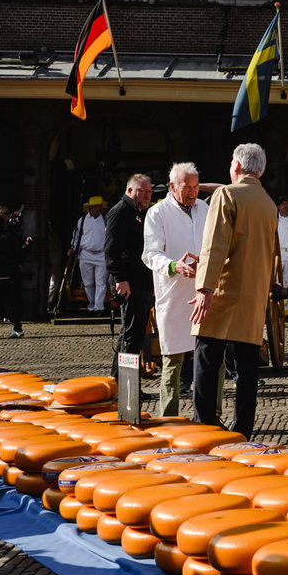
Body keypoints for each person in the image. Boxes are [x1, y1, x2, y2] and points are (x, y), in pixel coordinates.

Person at [190, 143, 278, 438]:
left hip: (223, 292)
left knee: (206, 357)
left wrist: (204, 287)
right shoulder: (268, 203)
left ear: (236, 167)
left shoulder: (227, 195)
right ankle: (243, 430)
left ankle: (205, 425)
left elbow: (216, 244)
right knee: (247, 368)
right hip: (253, 294)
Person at [142, 162, 208, 417]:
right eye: (186, 187)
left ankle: (209, 415)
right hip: (174, 294)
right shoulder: (157, 214)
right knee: (173, 360)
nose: (192, 192)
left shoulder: (204, 208)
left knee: (211, 359)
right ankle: (168, 418)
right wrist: (173, 265)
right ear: (172, 186)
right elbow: (150, 254)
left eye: (195, 186)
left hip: (205, 293)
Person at [106, 174, 154, 379]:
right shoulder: (120, 212)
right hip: (128, 282)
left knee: (132, 333)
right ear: (129, 191)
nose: (146, 195)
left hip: (141, 281)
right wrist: (120, 279)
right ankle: (127, 388)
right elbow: (110, 250)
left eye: (149, 192)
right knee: (131, 336)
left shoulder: (141, 212)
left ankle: (120, 381)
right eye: (141, 191)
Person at [70, 196, 109, 314]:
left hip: (101, 254)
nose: (100, 208)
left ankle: (99, 307)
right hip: (86, 254)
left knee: (101, 282)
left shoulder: (105, 219)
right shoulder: (82, 221)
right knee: (88, 283)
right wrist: (73, 247)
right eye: (98, 206)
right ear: (92, 207)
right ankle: (92, 304)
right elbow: (76, 236)